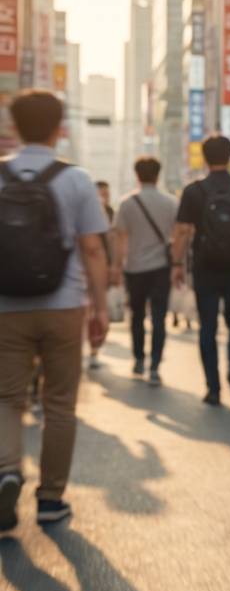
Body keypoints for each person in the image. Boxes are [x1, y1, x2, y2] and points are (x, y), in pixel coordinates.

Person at [0, 89, 109, 530]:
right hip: (64, 305)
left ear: (13, 127)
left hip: (6, 307)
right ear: (60, 129)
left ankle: (7, 470)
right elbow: (93, 249)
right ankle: (50, 500)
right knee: (60, 403)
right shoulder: (77, 180)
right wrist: (99, 308)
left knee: (7, 398)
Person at [170, 134, 230, 405]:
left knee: (207, 327)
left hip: (205, 266)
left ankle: (213, 389)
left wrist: (177, 264)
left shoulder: (194, 190)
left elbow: (182, 231)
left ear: (204, 157)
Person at [111, 156, 178, 384]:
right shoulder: (170, 203)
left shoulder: (127, 203)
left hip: (135, 268)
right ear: (157, 176)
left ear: (136, 175)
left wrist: (116, 267)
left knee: (137, 316)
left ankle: (139, 359)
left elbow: (120, 240)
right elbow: (178, 237)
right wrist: (179, 265)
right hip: (161, 267)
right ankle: (155, 366)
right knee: (159, 317)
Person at [88, 179, 116, 368]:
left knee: (96, 311)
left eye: (106, 194)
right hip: (88, 269)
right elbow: (92, 247)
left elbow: (112, 242)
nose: (104, 198)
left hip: (102, 269)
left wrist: (113, 265)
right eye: (101, 194)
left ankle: (94, 350)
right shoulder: (88, 212)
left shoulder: (112, 212)